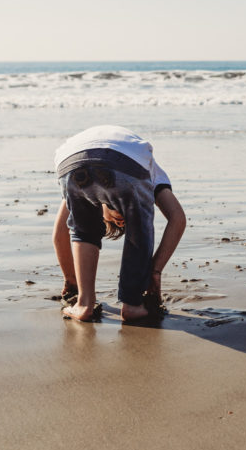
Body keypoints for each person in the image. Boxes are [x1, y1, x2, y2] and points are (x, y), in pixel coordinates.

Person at [51, 125, 185, 322]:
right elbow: (178, 218)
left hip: (71, 159)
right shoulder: (155, 175)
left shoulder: (86, 194)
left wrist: (72, 280)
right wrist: (154, 272)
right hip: (124, 161)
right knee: (140, 229)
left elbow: (61, 233)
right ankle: (133, 305)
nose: (121, 214)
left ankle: (84, 304)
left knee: (83, 231)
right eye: (119, 216)